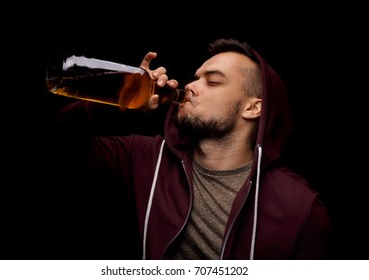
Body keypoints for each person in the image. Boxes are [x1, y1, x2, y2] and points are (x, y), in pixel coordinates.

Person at [37, 38, 331, 259]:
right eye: (195, 77)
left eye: (213, 81)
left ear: (253, 107)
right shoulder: (142, 159)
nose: (190, 85)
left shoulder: (301, 209)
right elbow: (52, 149)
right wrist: (116, 101)